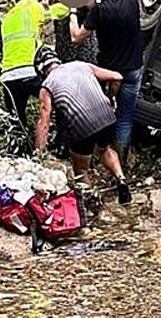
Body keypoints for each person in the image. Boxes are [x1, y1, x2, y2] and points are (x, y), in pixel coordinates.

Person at [32, 48, 132, 204]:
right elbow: (117, 77)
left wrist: (39, 154)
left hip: (82, 126)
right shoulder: (81, 65)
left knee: (81, 170)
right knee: (105, 148)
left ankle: (92, 201)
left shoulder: (47, 86)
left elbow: (44, 124)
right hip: (106, 116)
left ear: (41, 70)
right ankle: (121, 179)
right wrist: (111, 98)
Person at [69, 0, 145, 164]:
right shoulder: (132, 1)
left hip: (109, 72)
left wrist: (72, 13)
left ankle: (99, 155)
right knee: (125, 118)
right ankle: (120, 160)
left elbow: (76, 37)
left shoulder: (100, 12)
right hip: (133, 69)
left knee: (101, 113)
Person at [0, 0, 50, 143]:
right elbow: (56, 13)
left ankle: (18, 152)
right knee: (55, 102)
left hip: (8, 76)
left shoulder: (7, 17)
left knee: (16, 119)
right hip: (30, 71)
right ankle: (53, 145)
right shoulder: (32, 6)